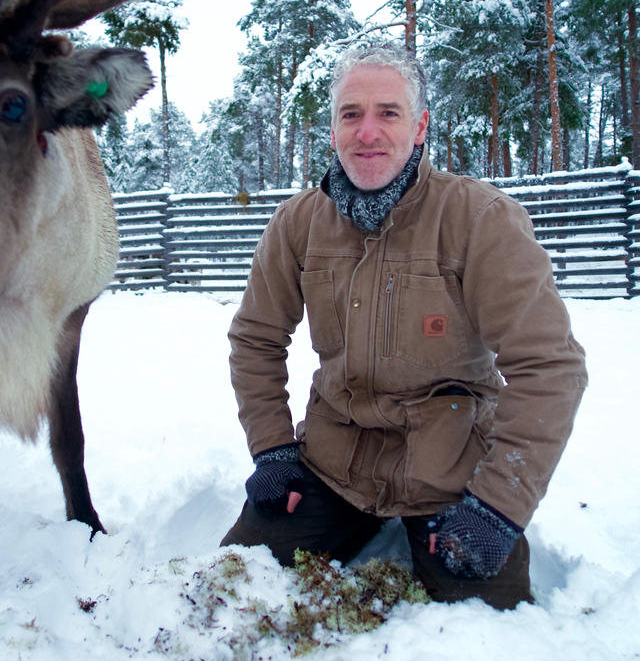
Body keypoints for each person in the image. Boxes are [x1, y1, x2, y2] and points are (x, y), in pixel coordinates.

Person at [221, 42, 587, 609]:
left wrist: (498, 505)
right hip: (332, 464)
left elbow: (551, 368)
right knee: (235, 586)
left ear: (419, 128)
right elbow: (255, 340)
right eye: (351, 114)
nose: (368, 131)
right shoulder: (297, 224)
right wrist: (271, 451)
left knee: (484, 632)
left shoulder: (478, 220)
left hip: (451, 474)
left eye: (387, 113)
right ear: (335, 128)